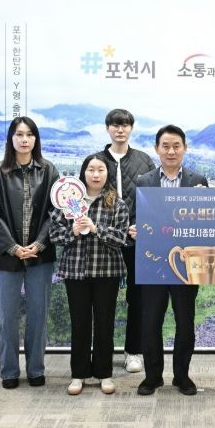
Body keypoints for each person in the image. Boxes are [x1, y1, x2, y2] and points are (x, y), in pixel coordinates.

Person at [0, 116, 59, 389]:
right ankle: (9, 372)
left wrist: (39, 244)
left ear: (36, 138)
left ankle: (36, 369)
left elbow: (56, 211)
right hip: (7, 256)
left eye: (29, 134)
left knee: (38, 315)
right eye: (19, 134)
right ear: (11, 139)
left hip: (41, 255)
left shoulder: (49, 170)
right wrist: (14, 247)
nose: (24, 139)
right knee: (8, 317)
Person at [135, 124, 208, 396]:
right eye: (165, 146)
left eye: (176, 146)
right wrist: (134, 229)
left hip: (187, 263)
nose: (171, 151)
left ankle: (182, 376)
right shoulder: (144, 181)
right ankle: (152, 377)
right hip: (153, 262)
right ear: (157, 149)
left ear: (185, 148)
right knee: (150, 322)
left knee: (185, 322)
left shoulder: (198, 181)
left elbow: (206, 221)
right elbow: (135, 217)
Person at [49, 155, 129, 395]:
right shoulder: (68, 200)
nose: (96, 174)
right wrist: (72, 232)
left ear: (108, 173)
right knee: (80, 324)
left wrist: (96, 229)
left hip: (107, 271)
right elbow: (54, 235)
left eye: (101, 170)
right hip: (75, 272)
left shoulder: (116, 203)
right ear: (83, 172)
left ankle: (104, 373)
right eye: (91, 169)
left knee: (105, 324)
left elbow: (121, 238)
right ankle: (79, 374)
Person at [94, 109, 155, 373]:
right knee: (103, 299)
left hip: (136, 239)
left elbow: (152, 198)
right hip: (104, 241)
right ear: (107, 128)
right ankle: (102, 353)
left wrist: (141, 226)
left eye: (125, 125)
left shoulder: (144, 160)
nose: (120, 130)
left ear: (131, 128)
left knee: (137, 297)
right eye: (115, 125)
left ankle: (134, 351)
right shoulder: (97, 161)